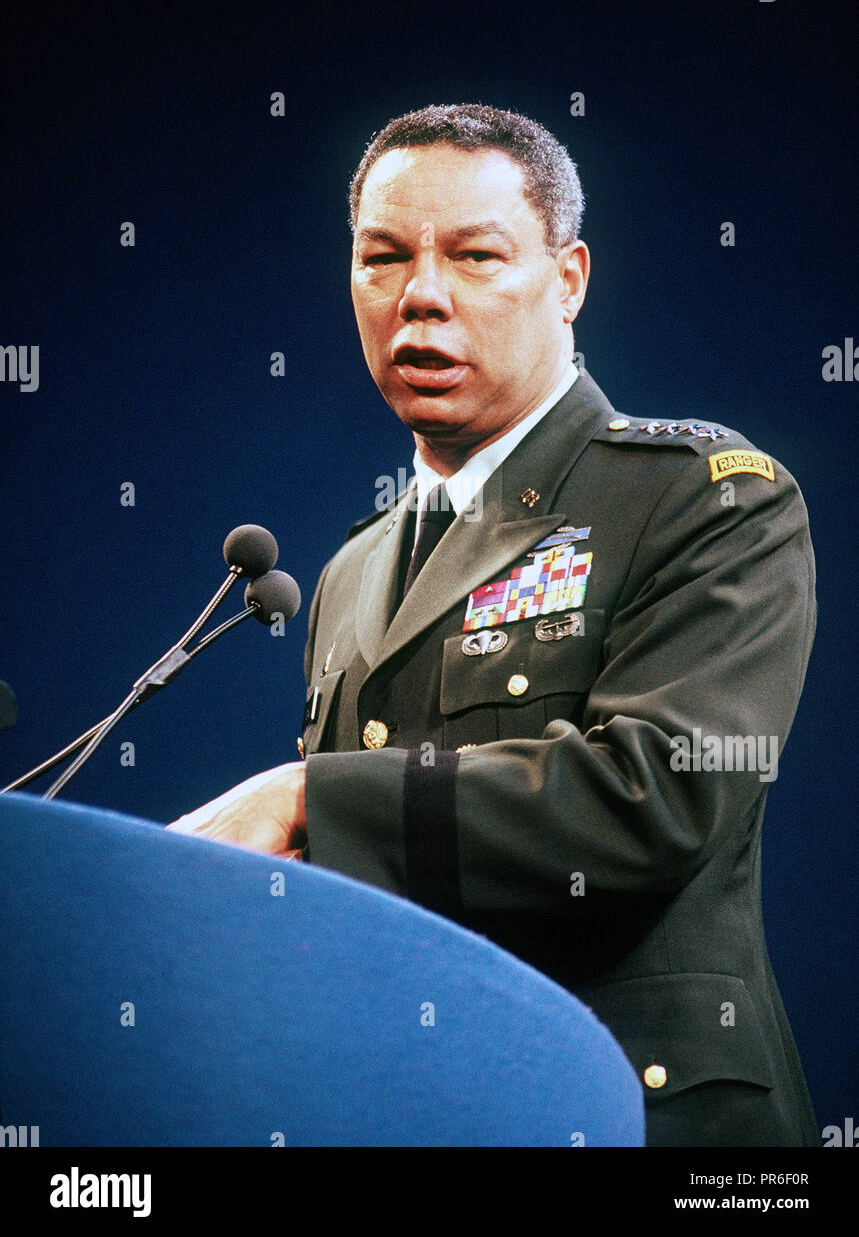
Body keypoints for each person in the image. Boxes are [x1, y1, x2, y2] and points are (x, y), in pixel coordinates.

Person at [169, 103, 819, 1147]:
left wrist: (307, 799)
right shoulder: (350, 568)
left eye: (475, 255)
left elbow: (654, 798)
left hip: (629, 1114)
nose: (419, 297)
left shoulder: (705, 498)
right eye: (381, 257)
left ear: (567, 282)